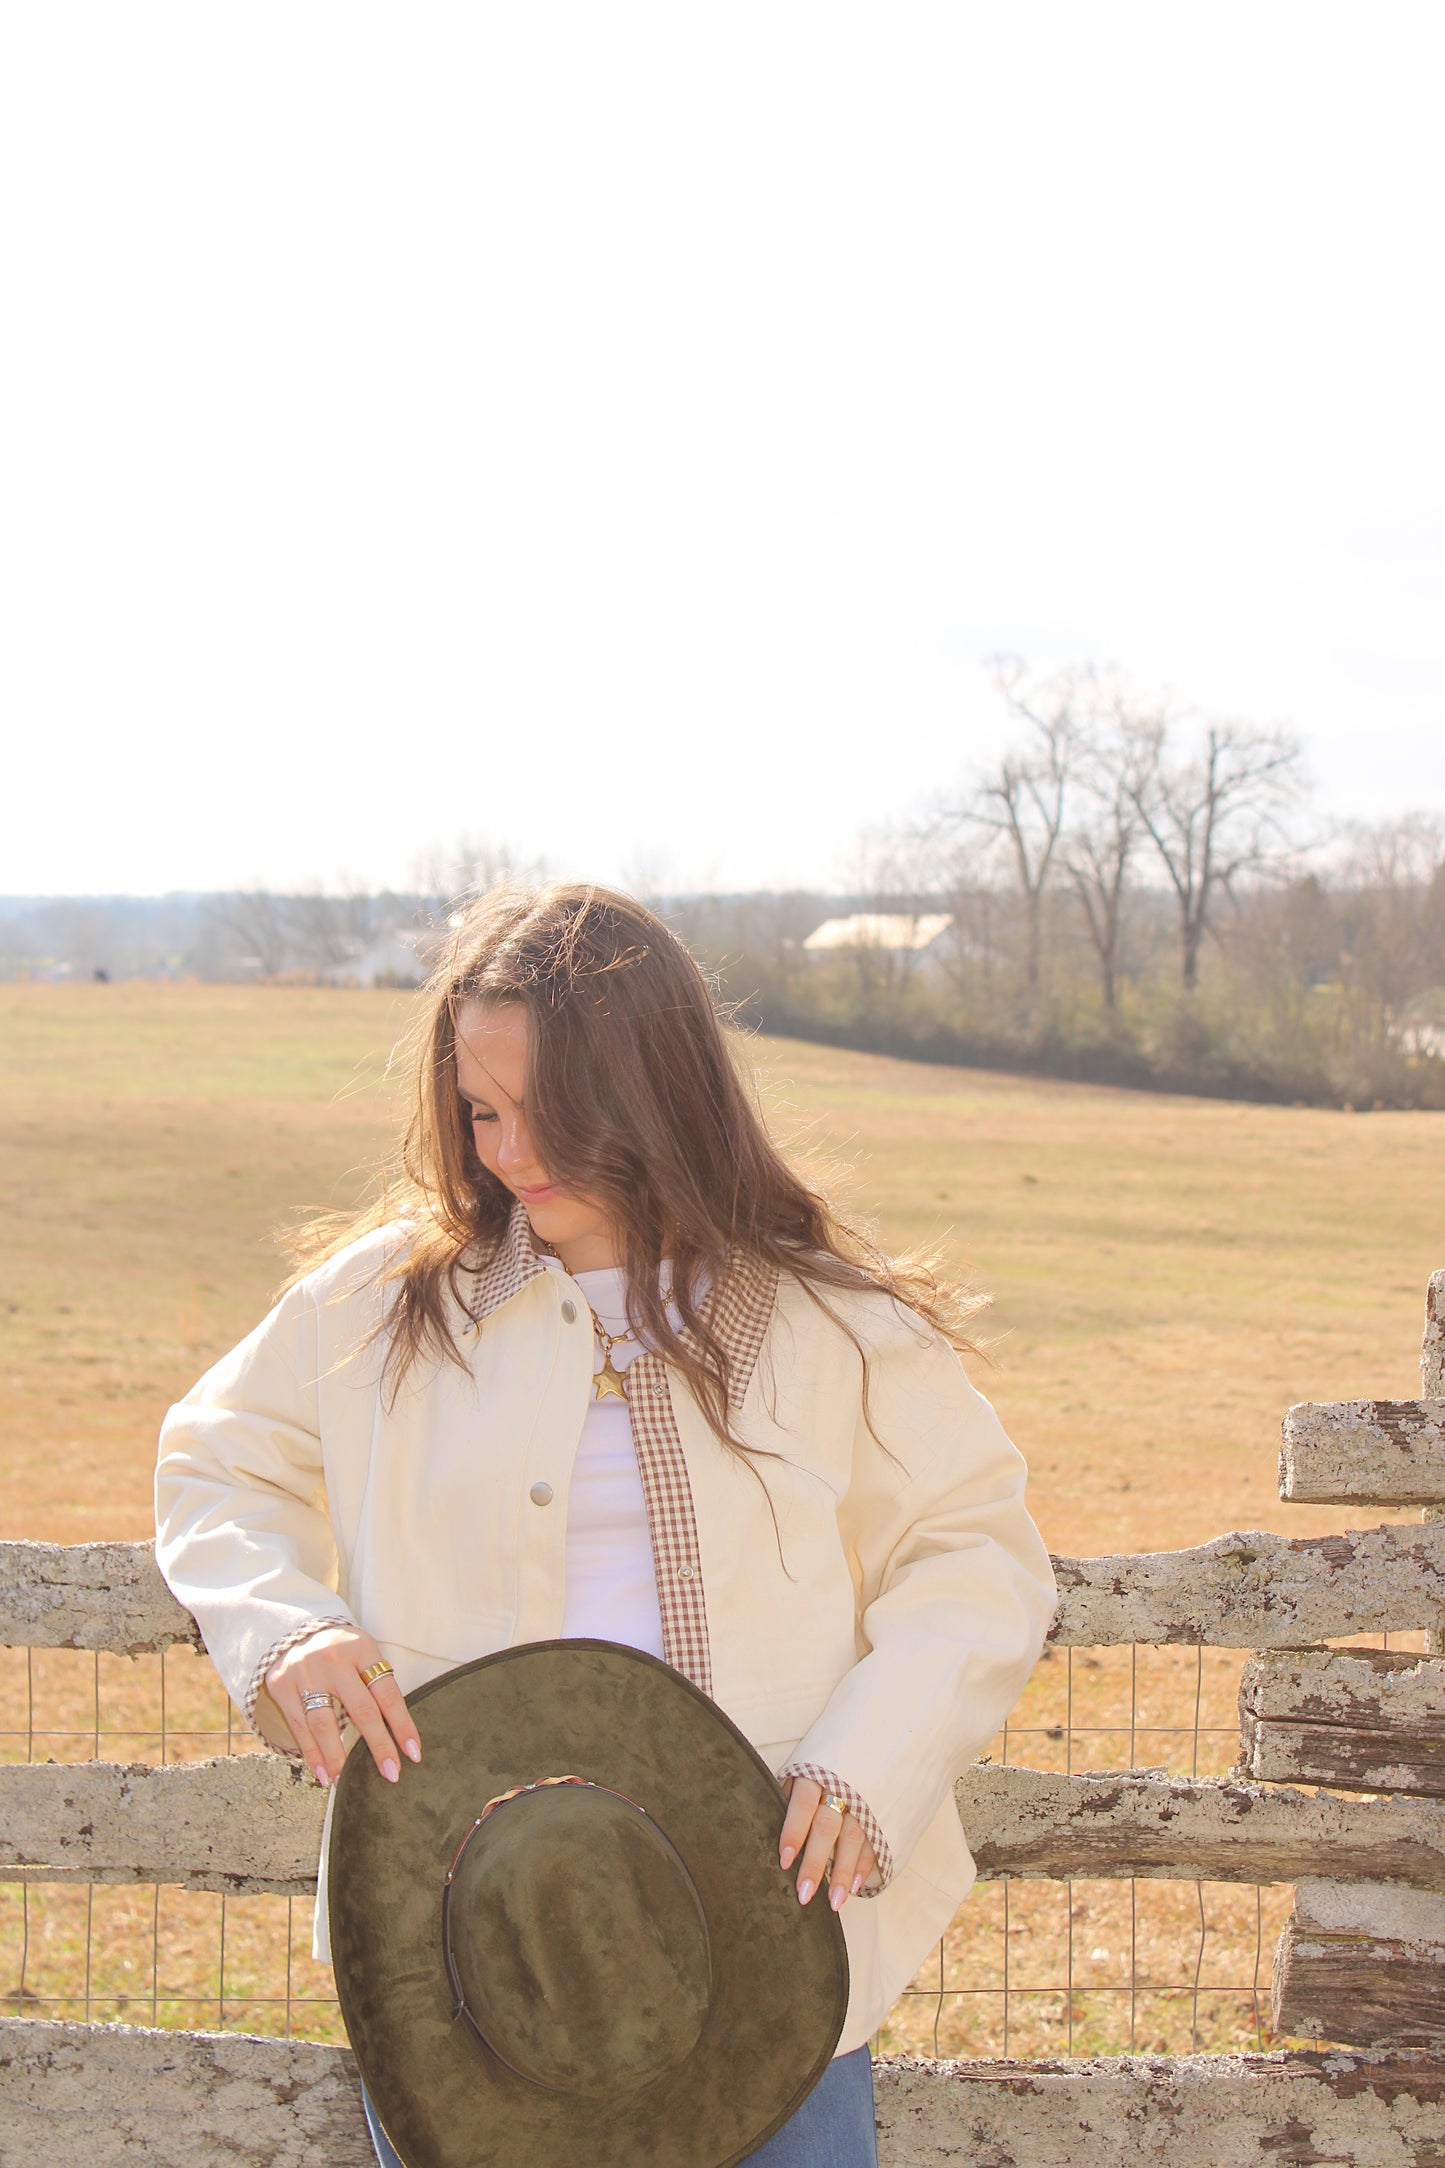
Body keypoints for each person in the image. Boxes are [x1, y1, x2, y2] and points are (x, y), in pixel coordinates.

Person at [154, 882, 1057, 2168]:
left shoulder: (833, 1325)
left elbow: (972, 1550)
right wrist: (285, 1625)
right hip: (466, 1953)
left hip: (770, 1940)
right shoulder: (374, 1308)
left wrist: (876, 1757)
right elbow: (214, 1460)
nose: (510, 1153)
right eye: (481, 1111)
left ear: (657, 1088)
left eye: (551, 1113)